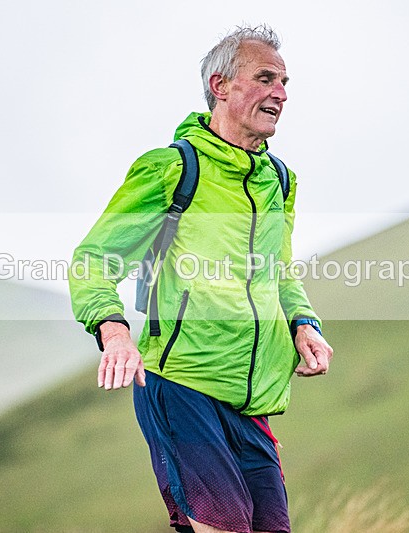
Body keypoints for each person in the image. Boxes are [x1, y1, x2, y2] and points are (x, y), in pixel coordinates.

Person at [69, 24, 333, 533]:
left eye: (284, 82)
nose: (279, 93)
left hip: (252, 400)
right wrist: (114, 330)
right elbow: (93, 260)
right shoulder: (172, 169)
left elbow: (279, 272)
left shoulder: (278, 179)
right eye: (264, 78)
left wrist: (304, 324)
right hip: (182, 383)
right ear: (221, 85)